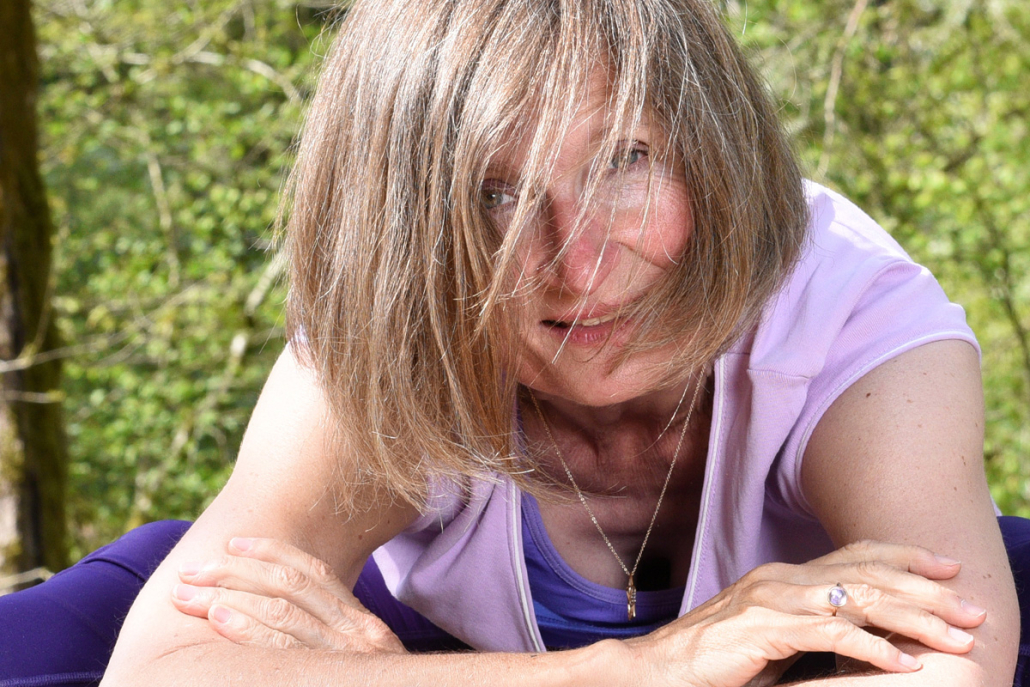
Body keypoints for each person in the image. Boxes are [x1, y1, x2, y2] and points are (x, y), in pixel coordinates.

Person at [4, 0, 1023, 685]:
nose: (580, 264)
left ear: (715, 154)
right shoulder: (396, 304)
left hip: (801, 639)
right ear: (407, 227)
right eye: (496, 194)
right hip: (419, 624)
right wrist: (637, 669)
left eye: (625, 159)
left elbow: (948, 666)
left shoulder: (852, 309)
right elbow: (165, 669)